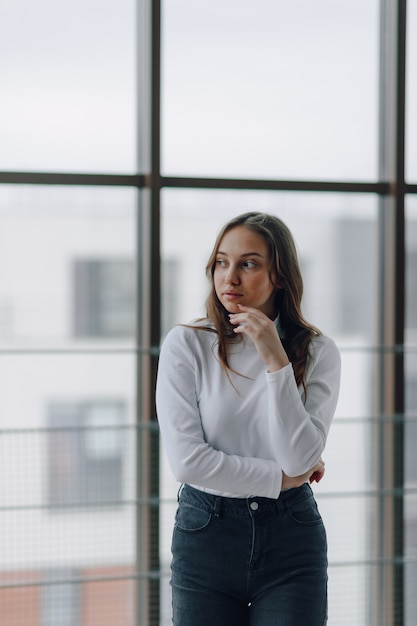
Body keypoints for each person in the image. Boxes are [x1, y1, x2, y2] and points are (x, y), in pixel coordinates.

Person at [156, 211, 341, 626]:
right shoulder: (187, 344)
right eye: (222, 262)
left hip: (291, 537)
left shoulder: (318, 352)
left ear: (279, 276)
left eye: (248, 263)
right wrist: (279, 479)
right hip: (206, 535)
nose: (230, 278)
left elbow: (298, 459)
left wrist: (275, 359)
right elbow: (188, 462)